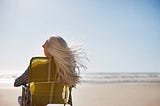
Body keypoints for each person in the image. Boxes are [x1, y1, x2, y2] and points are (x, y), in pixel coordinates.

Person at [14, 35, 87, 87]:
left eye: (45, 44)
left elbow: (17, 83)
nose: (42, 45)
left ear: (50, 50)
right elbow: (72, 85)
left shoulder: (36, 66)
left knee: (20, 99)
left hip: (35, 102)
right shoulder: (65, 70)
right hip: (58, 101)